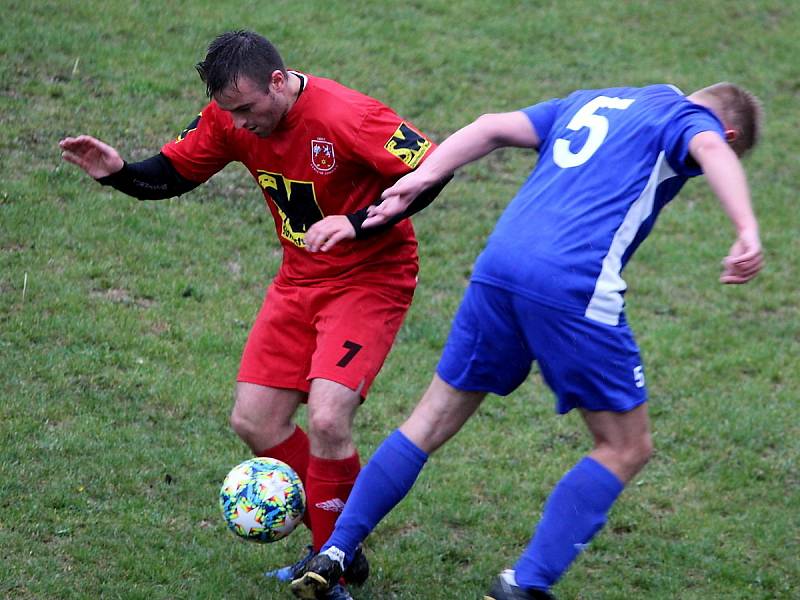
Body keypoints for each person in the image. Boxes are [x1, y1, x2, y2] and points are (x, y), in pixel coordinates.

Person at [290, 82, 764, 600]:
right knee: (627, 445)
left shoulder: (595, 100)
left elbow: (492, 124)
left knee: (428, 420)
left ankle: (335, 550)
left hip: (499, 267)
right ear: (727, 128)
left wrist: (420, 177)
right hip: (572, 283)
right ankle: (525, 584)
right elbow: (713, 148)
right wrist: (746, 229)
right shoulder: (688, 121)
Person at [58, 30, 447, 600]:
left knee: (329, 419)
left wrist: (357, 222)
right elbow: (170, 175)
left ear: (278, 80)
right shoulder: (230, 117)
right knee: (256, 422)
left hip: (370, 278)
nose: (239, 125)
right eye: (228, 112)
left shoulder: (347, 115)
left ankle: (332, 557)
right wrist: (119, 172)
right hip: (299, 280)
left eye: (246, 110)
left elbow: (433, 169)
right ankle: (341, 546)